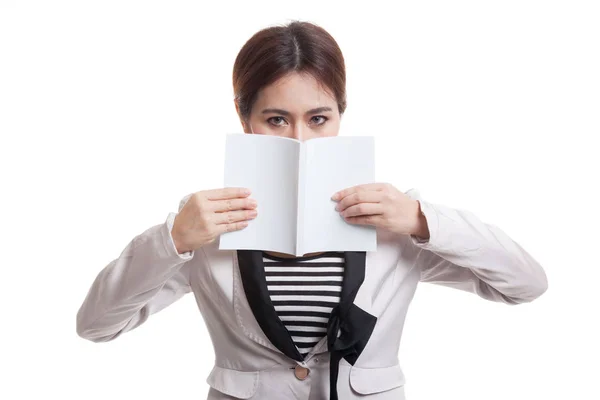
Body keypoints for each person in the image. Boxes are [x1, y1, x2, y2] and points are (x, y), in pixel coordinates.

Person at [76, 21, 548, 400]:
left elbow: (526, 285)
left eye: (318, 119)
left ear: (341, 115)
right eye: (276, 119)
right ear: (246, 120)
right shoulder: (205, 222)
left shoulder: (396, 218)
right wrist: (171, 241)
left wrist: (424, 221)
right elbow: (96, 325)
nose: (299, 140)